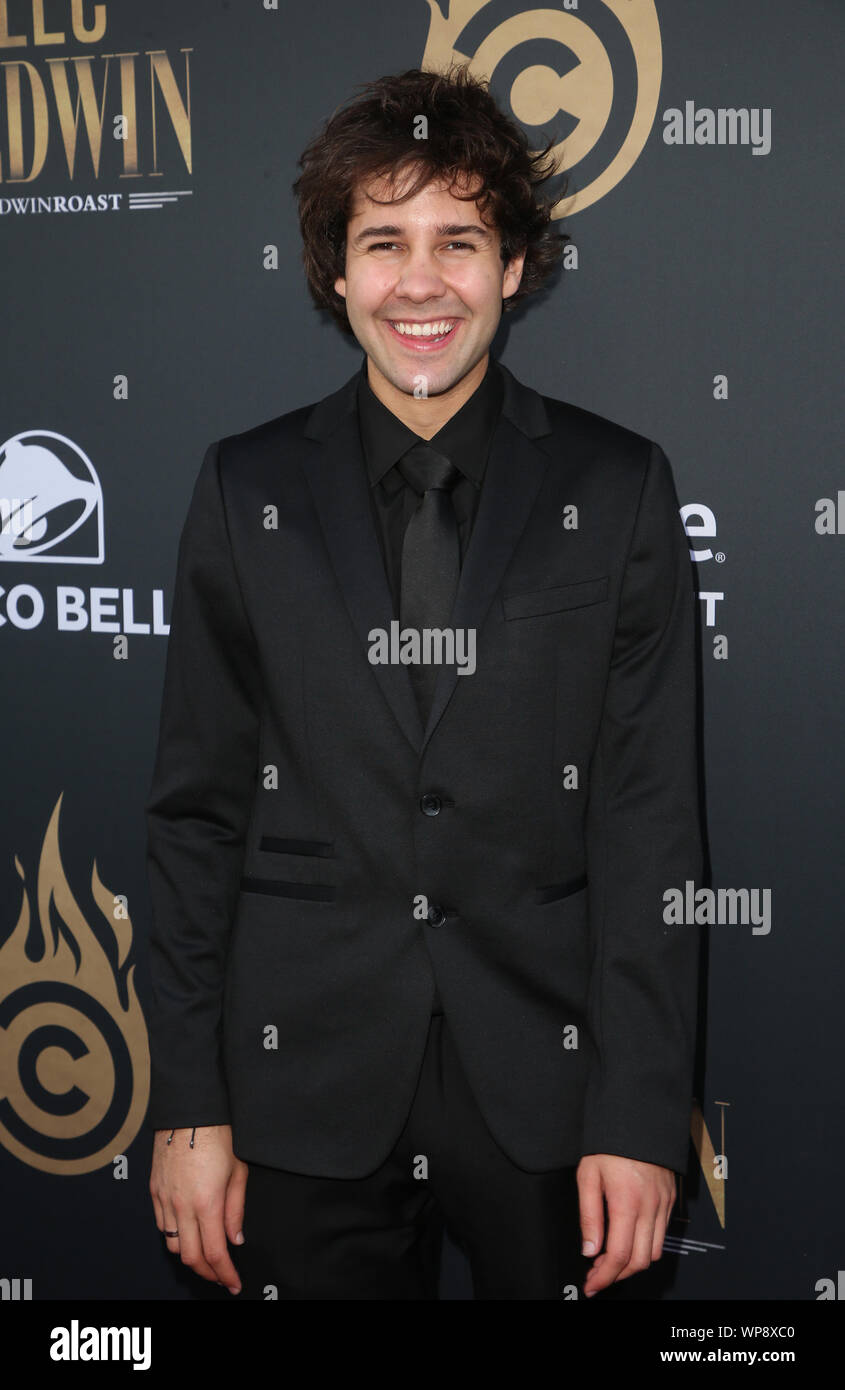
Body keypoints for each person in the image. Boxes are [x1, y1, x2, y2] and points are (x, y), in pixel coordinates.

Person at [145, 65, 704, 1301]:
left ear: (511, 267)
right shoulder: (245, 491)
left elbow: (650, 827)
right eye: (381, 240)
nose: (418, 282)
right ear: (333, 274)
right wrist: (186, 1104)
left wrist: (637, 1111)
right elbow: (196, 817)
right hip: (299, 1091)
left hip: (552, 1097)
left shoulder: (616, 490)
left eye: (458, 239)